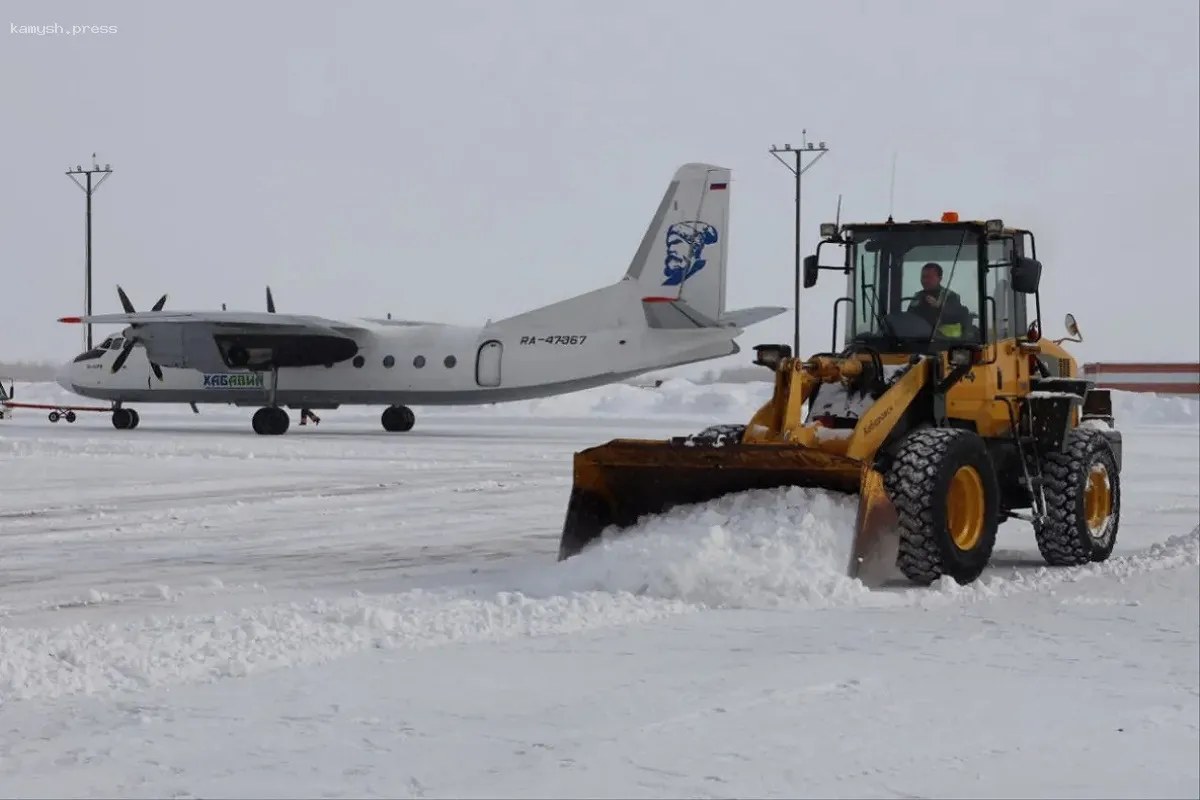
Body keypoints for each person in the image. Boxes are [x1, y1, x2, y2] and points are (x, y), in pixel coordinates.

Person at [907, 262, 970, 337]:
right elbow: (910, 317)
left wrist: (938, 306)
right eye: (923, 277)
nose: (925, 280)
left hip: (944, 340)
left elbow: (954, 315)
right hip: (918, 338)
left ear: (939, 279)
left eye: (929, 277)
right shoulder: (918, 296)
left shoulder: (950, 296)